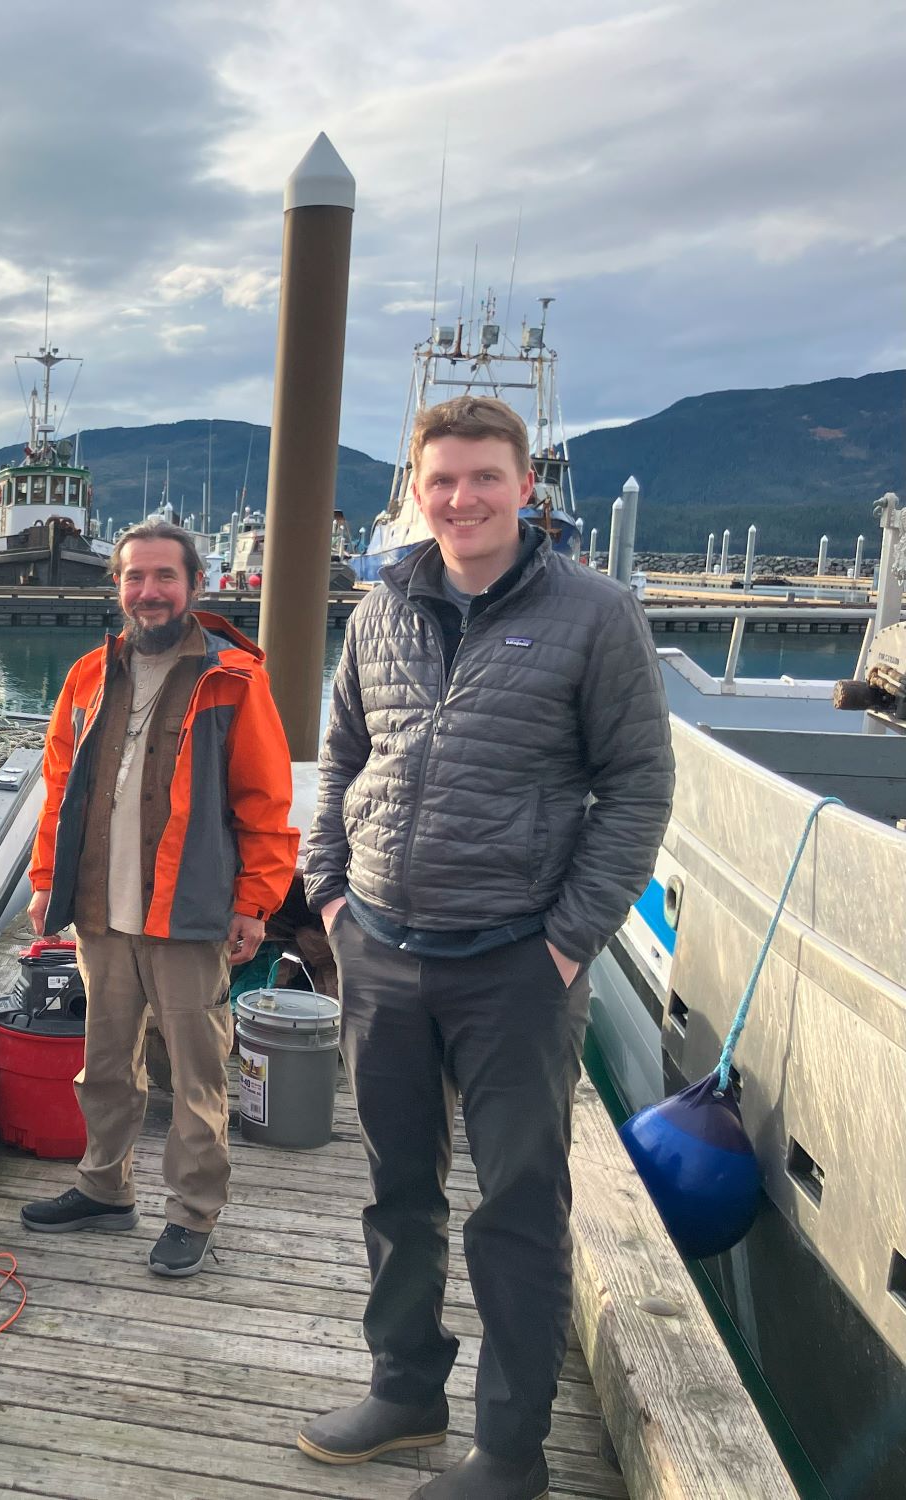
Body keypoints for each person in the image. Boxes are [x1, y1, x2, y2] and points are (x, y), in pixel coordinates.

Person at [297, 395, 675, 1499]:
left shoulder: (593, 615)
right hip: (379, 949)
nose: (459, 499)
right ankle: (403, 1389)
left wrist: (567, 942)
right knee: (394, 1190)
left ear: (525, 487)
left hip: (516, 963)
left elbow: (636, 785)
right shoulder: (379, 609)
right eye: (440, 480)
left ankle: (508, 1455)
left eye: (482, 477)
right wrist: (329, 897)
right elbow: (339, 759)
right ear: (415, 491)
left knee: (515, 1207)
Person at [20, 519, 297, 1278]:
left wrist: (255, 902)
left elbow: (266, 803)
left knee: (197, 1071)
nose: (148, 592)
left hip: (188, 910)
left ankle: (192, 1213)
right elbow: (57, 792)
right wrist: (47, 881)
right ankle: (104, 1188)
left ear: (194, 586)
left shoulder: (234, 679)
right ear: (117, 587)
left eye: (164, 578)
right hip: (99, 913)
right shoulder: (85, 677)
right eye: (134, 578)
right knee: (104, 1064)